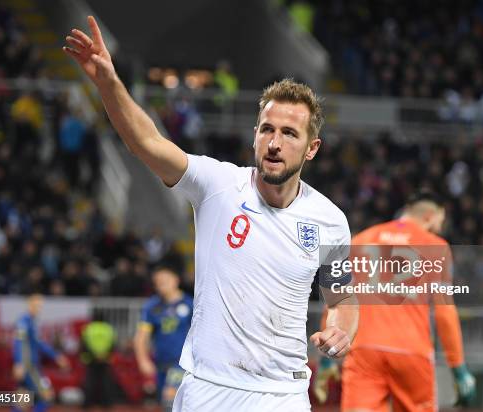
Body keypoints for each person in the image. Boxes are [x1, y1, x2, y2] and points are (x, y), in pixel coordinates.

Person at [63, 16, 358, 411]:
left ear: (312, 148)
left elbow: (341, 299)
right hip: (209, 387)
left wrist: (340, 332)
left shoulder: (330, 220)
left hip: (283, 394)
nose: (274, 143)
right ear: (254, 133)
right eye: (266, 129)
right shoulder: (216, 184)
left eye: (289, 134)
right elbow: (146, 142)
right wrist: (107, 82)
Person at [316, 191, 476, 411]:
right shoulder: (435, 245)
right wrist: (458, 367)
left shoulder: (362, 239)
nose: (441, 226)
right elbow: (444, 312)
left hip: (364, 350)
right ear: (430, 215)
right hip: (411, 351)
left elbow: (336, 300)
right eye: (441, 220)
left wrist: (327, 356)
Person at [134, 267, 193, 410]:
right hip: (160, 363)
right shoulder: (152, 307)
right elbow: (141, 336)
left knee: (170, 400)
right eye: (158, 282)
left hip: (181, 363)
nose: (161, 285)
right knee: (165, 404)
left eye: (165, 281)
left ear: (176, 280)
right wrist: (143, 360)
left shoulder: (190, 304)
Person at [12, 294, 69, 412]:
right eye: (36, 305)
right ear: (29, 305)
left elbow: (39, 343)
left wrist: (56, 356)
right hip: (29, 366)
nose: (38, 309)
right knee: (47, 396)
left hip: (30, 365)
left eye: (40, 306)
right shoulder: (23, 322)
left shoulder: (32, 322)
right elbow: (19, 342)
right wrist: (19, 363)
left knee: (22, 400)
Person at [81, 310, 115, 409]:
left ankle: (87, 404)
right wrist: (104, 355)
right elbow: (113, 345)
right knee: (106, 382)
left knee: (90, 382)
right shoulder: (108, 329)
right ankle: (107, 404)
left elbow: (84, 344)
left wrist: (94, 355)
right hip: (105, 359)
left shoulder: (89, 328)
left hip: (91, 359)